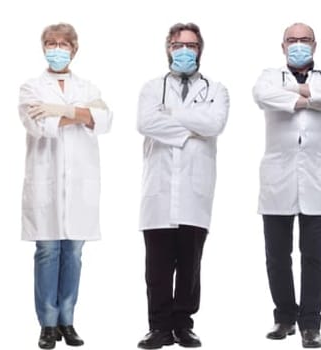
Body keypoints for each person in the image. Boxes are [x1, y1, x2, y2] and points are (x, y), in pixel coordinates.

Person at [251, 23, 321, 349]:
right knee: (277, 255)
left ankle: (310, 324)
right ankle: (284, 317)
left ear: (315, 45)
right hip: (277, 178)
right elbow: (262, 96)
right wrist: (313, 100)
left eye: (304, 40)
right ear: (282, 46)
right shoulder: (269, 76)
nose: (298, 45)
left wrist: (296, 96)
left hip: (318, 178)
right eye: (292, 40)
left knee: (313, 256)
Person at [135, 23, 230, 350]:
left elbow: (214, 124)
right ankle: (158, 328)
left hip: (195, 190)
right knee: (157, 268)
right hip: (159, 192)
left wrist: (171, 116)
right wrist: (192, 123)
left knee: (190, 266)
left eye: (190, 45)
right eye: (178, 45)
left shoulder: (217, 89)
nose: (184, 51)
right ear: (168, 49)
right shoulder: (152, 88)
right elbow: (145, 122)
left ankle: (183, 325)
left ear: (200, 49)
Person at [19, 22, 112, 350]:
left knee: (73, 253)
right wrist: (81, 115)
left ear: (74, 48)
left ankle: (67, 321)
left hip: (80, 187)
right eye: (50, 43)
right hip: (45, 184)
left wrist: (63, 110)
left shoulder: (87, 86)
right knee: (47, 252)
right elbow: (40, 125)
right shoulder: (31, 88)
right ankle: (47, 324)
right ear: (43, 47)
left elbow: (105, 120)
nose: (56, 49)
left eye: (63, 44)